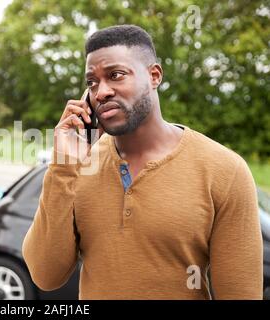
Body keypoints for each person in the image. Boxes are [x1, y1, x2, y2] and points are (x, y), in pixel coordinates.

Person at [22, 25, 263, 299]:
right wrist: (64, 166)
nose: (101, 92)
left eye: (115, 75)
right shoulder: (76, 167)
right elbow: (45, 275)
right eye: (92, 82)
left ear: (154, 76)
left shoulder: (224, 170)